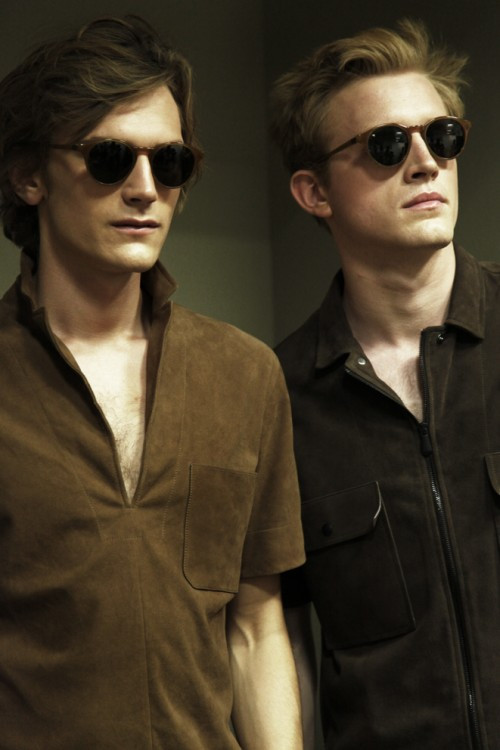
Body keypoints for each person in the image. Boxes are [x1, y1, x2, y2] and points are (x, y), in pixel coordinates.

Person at [0, 15, 305, 750]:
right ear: (30, 176)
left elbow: (255, 628)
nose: (145, 189)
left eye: (170, 163)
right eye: (109, 158)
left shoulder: (244, 373)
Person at [270, 17, 499, 750]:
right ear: (314, 191)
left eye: (444, 136)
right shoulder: (276, 397)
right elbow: (278, 642)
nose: (427, 162)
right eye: (388, 144)